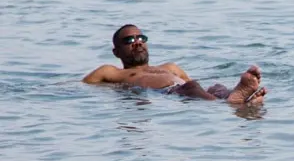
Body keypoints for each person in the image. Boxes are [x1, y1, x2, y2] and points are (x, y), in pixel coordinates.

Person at [83, 24, 267, 104]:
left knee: (216, 87)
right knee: (192, 87)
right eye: (129, 40)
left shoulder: (170, 67)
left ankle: (235, 99)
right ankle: (236, 101)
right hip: (169, 93)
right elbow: (79, 87)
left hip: (188, 90)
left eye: (141, 38)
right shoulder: (111, 71)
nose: (137, 42)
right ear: (116, 52)